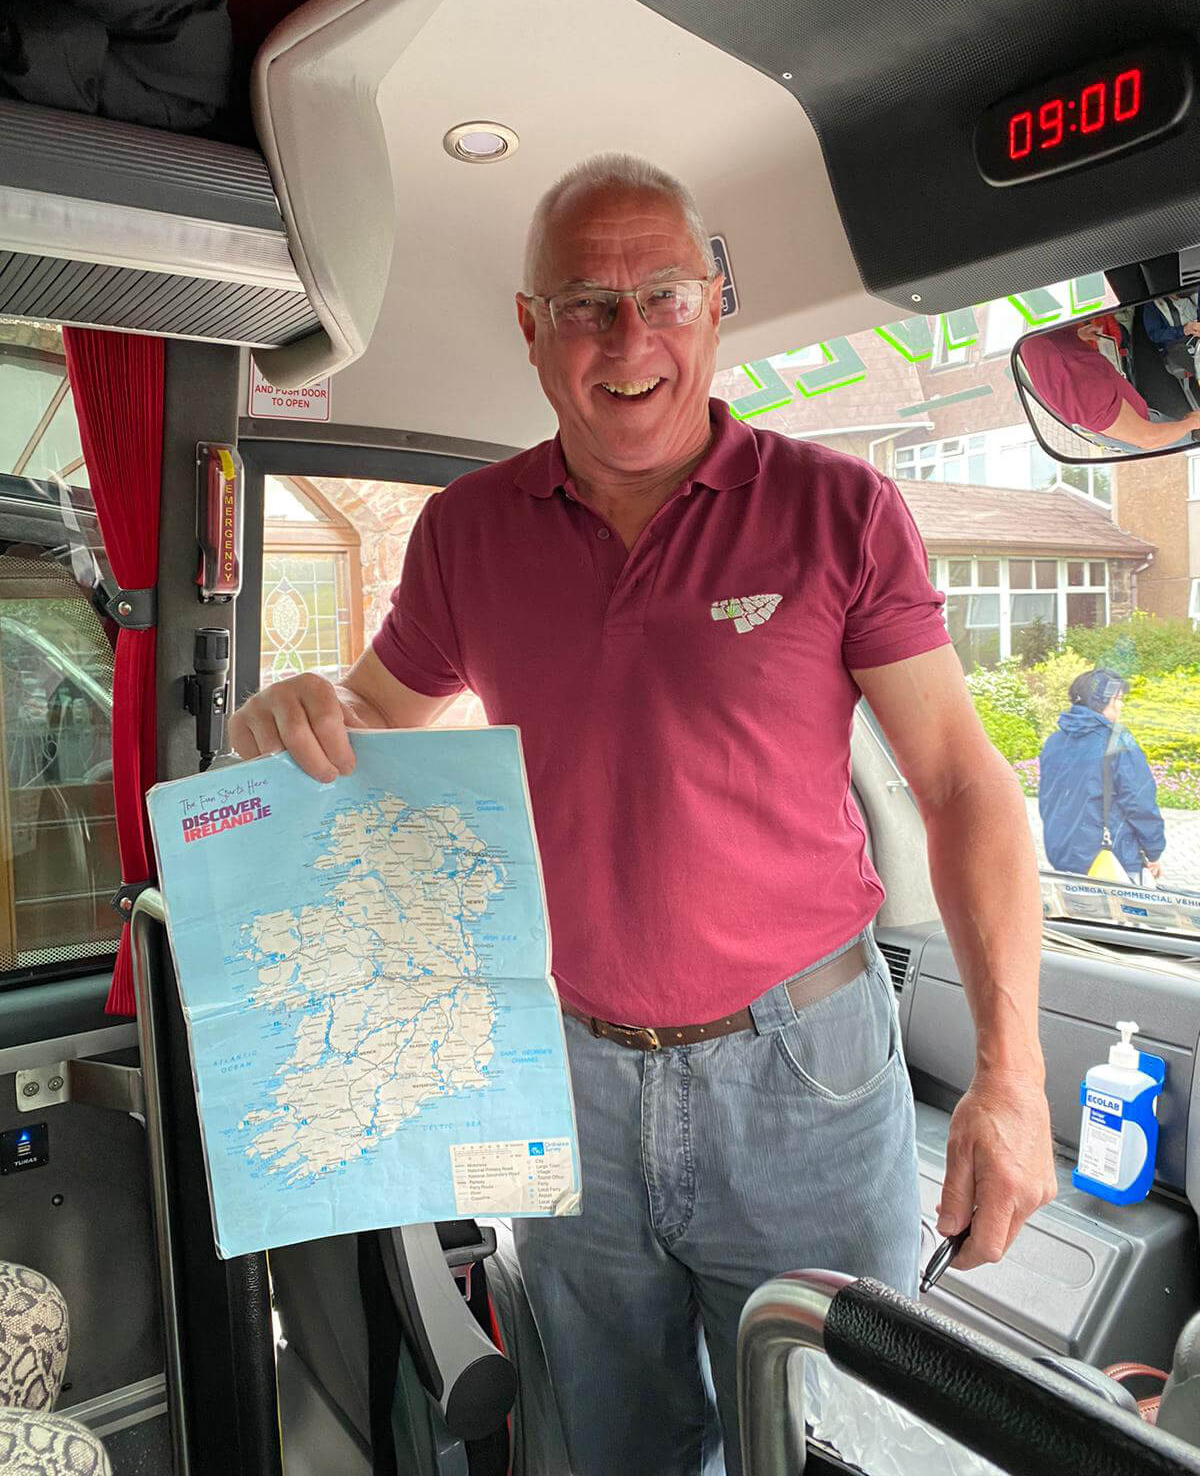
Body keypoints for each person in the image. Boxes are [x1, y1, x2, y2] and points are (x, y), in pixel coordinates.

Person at [230, 154, 1056, 1476]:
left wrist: (1012, 1075)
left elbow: (963, 784)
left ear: (716, 303)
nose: (630, 341)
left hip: (808, 1077)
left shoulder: (840, 509)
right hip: (565, 1080)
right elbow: (376, 711)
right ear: (530, 328)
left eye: (663, 295)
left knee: (837, 1443)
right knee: (601, 1443)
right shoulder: (465, 533)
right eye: (586, 306)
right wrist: (298, 704)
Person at [1038, 667, 1165, 885]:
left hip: (1063, 855)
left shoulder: (1054, 742)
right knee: (1121, 917)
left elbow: (1047, 799)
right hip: (1112, 856)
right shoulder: (1116, 740)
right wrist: (1153, 851)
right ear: (1107, 700)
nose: (1121, 706)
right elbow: (1139, 801)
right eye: (1119, 699)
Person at [1020, 322, 1200, 451]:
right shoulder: (1091, 402)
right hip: (1143, 424)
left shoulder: (1084, 389)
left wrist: (1076, 336)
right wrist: (1190, 424)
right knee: (1180, 438)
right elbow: (1148, 438)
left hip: (1141, 422)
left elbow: (1149, 438)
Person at [1142, 290, 1200, 386]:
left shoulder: (1195, 294)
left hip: (1197, 335)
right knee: (1182, 355)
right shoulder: (1152, 305)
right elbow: (1155, 335)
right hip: (1175, 343)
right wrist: (1183, 330)